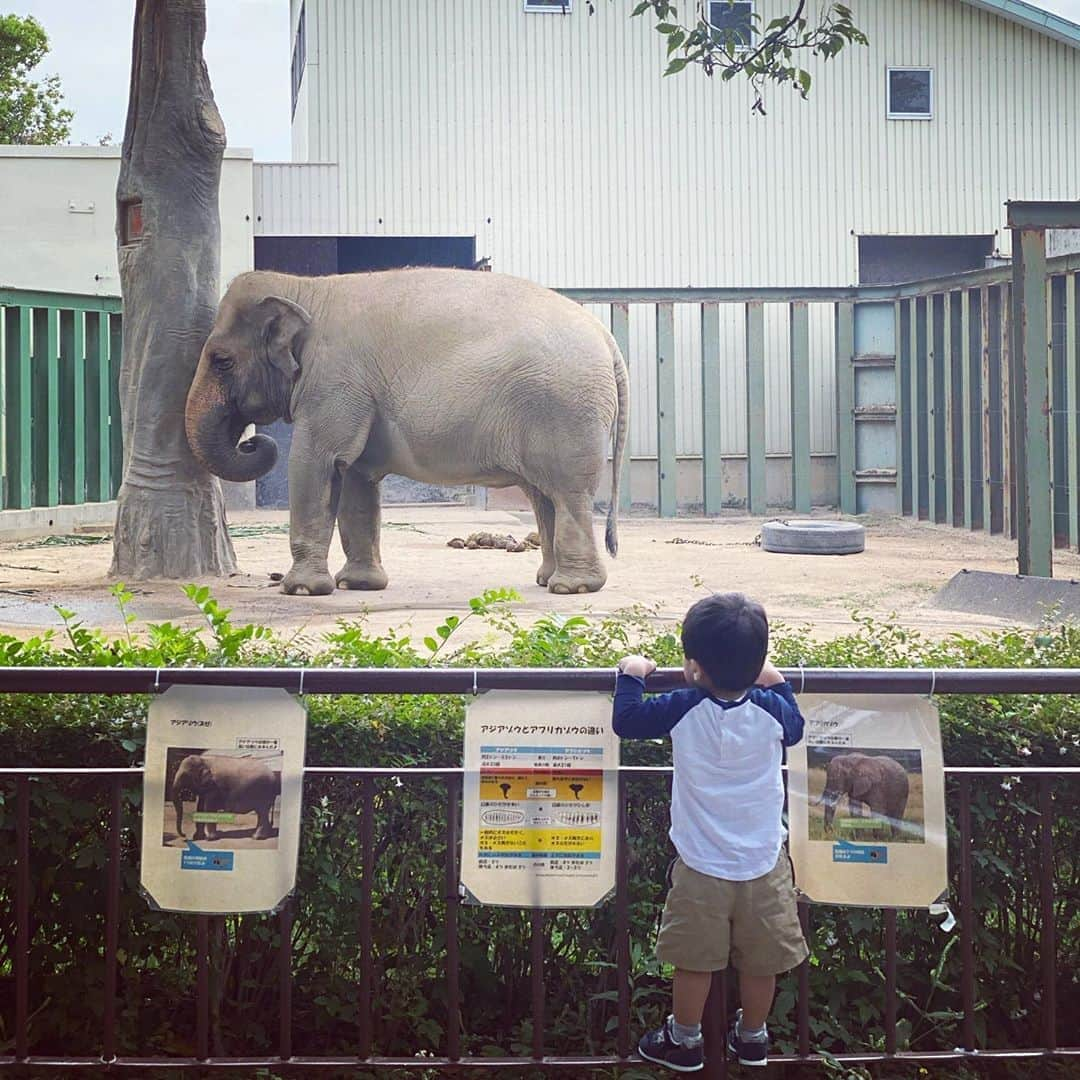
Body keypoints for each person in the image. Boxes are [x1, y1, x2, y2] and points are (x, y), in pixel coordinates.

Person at [613, 592, 808, 1071]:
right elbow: (797, 726)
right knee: (761, 962)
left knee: (695, 961)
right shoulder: (771, 710)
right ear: (757, 663)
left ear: (695, 667)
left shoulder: (683, 705)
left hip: (700, 863)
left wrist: (631, 674)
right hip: (764, 860)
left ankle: (685, 1039)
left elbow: (627, 720)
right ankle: (754, 1037)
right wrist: (777, 680)